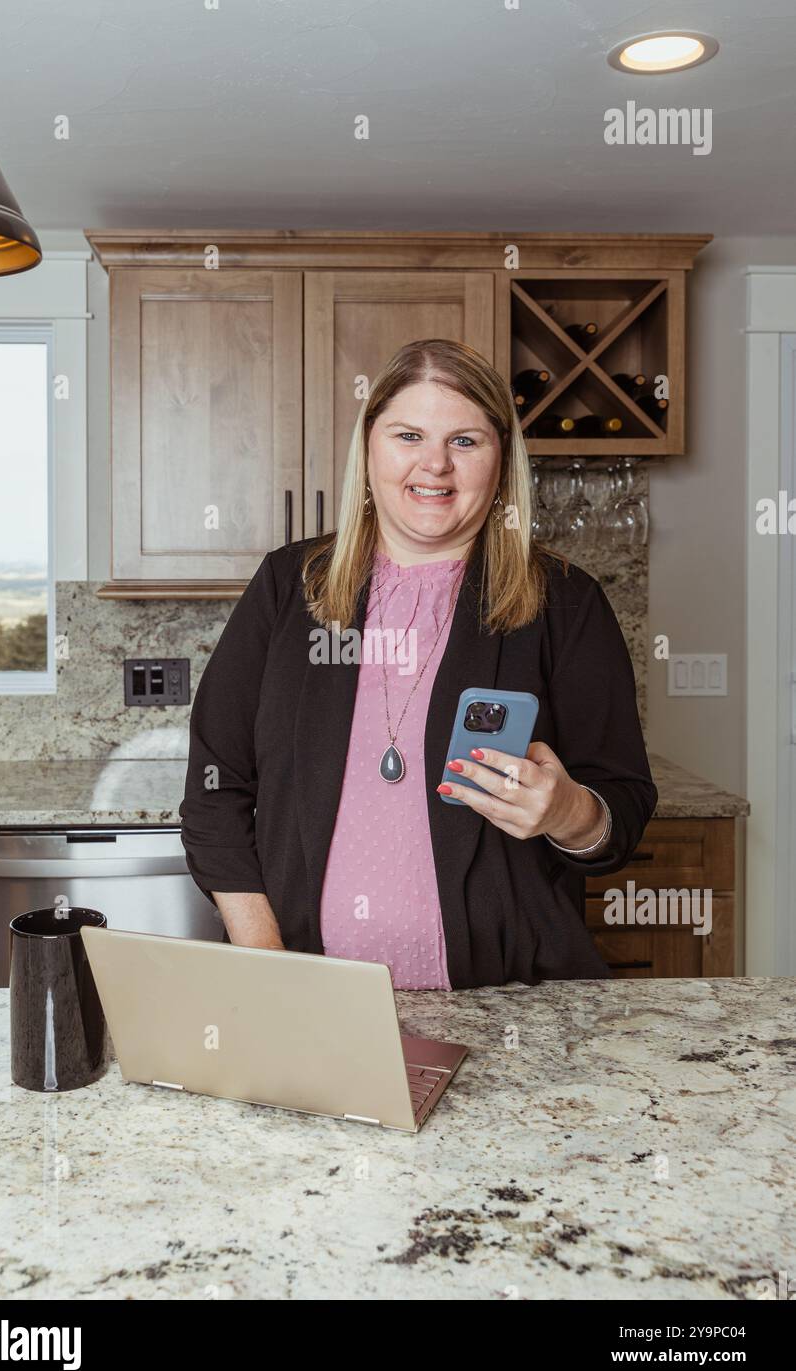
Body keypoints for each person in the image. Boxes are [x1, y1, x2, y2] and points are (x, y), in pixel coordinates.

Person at [180, 338, 657, 988]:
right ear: (370, 447)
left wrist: (567, 813)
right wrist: (269, 963)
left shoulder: (564, 603)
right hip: (314, 999)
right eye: (409, 435)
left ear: (500, 461)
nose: (434, 465)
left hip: (506, 999)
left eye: (465, 440)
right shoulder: (288, 586)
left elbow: (622, 808)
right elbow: (215, 790)